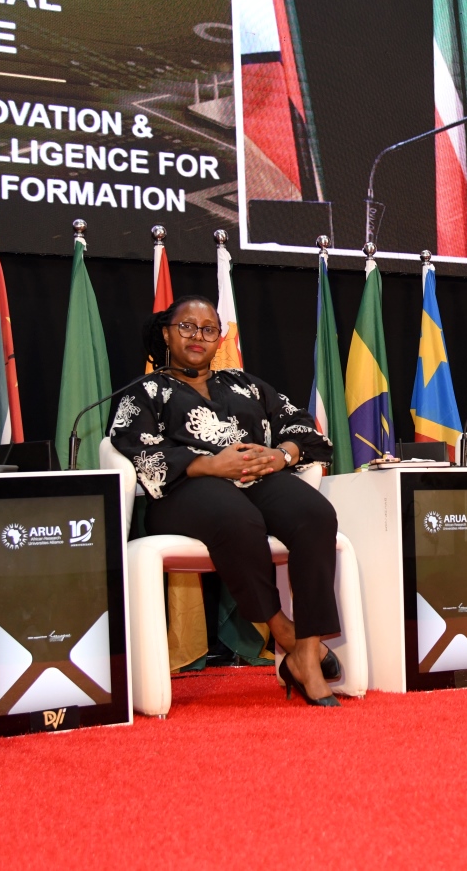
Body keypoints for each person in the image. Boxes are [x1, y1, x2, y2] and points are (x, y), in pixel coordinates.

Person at [108, 296, 346, 705]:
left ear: (219, 339)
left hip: (254, 480)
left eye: (208, 329)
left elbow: (305, 428)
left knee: (316, 514)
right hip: (182, 494)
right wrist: (207, 465)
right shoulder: (145, 391)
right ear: (166, 332)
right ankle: (282, 629)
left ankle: (305, 652)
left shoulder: (245, 385)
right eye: (186, 326)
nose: (197, 336)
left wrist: (281, 455)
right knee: (238, 517)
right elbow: (131, 446)